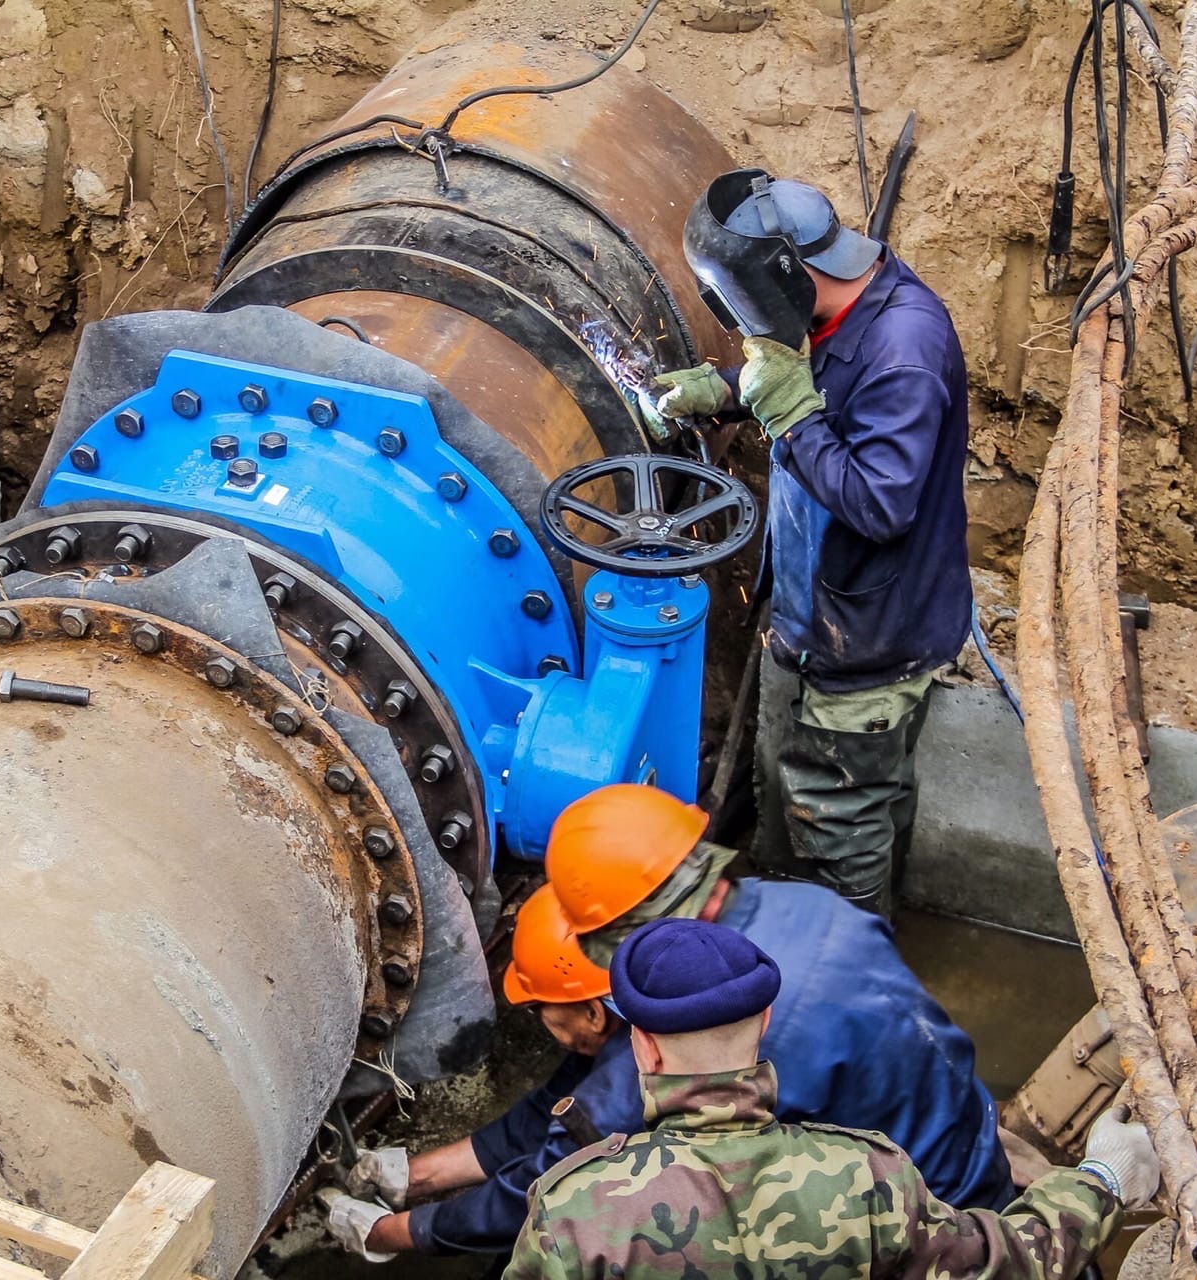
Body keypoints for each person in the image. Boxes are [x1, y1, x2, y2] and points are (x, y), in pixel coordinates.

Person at [321, 784, 1012, 1263]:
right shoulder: (803, 907)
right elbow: (561, 1111)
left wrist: (393, 1234)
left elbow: (538, 1199)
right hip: (965, 1147)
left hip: (912, 1231)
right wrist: (416, 1174)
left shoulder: (668, 1058)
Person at [653, 173, 973, 918]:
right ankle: (797, 929)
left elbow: (879, 503)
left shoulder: (903, 350)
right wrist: (725, 387)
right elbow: (810, 379)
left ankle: (856, 969)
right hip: (810, 613)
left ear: (786, 276)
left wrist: (787, 418)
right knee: (793, 795)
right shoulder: (843, 309)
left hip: (867, 640)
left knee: (842, 818)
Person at [504, 918, 1155, 1279]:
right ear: (763, 1026)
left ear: (642, 1047)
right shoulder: (864, 1175)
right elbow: (1012, 1263)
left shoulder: (572, 1212)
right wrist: (1104, 1178)